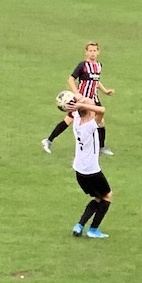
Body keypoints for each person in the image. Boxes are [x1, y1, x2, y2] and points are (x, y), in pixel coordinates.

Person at [42, 42, 114, 155]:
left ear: (98, 52)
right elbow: (71, 79)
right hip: (82, 100)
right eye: (90, 51)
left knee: (101, 122)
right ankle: (48, 140)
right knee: (69, 120)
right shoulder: (83, 65)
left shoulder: (99, 65)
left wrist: (105, 91)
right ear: (86, 52)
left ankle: (101, 147)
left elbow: (96, 81)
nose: (92, 53)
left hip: (94, 99)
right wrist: (76, 93)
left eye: (94, 51)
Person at [66, 94, 112, 238]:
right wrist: (82, 105)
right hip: (91, 171)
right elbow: (102, 110)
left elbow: (82, 109)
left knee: (98, 197)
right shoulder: (90, 126)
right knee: (107, 196)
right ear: (90, 111)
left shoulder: (77, 120)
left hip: (79, 170)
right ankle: (93, 230)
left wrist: (78, 104)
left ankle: (79, 226)